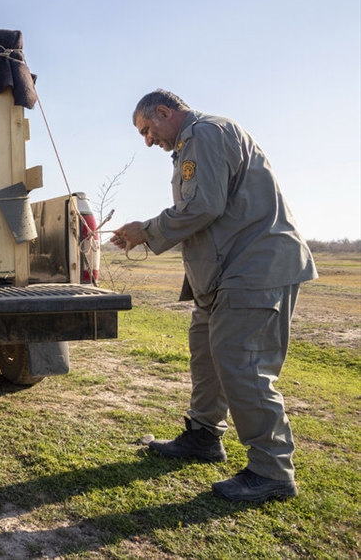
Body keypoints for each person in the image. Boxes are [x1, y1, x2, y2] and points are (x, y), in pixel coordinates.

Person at [110, 89, 317, 503]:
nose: (148, 141)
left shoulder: (205, 134)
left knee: (242, 363)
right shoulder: (191, 143)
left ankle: (272, 470)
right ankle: (203, 436)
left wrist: (144, 231)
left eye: (148, 130)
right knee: (207, 352)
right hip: (223, 275)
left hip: (254, 268)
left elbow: (202, 207)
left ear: (166, 112)